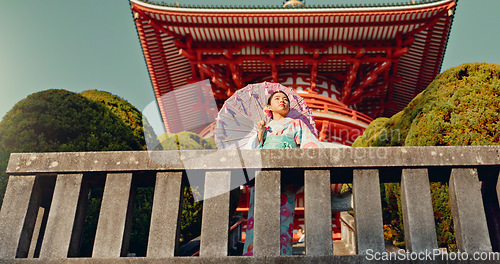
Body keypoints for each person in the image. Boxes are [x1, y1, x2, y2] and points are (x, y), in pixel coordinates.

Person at [242, 90, 343, 256]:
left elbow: (310, 145)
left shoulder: (297, 124)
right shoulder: (263, 128)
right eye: (277, 99)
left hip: (287, 176)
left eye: (285, 99)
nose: (282, 101)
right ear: (268, 107)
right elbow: (251, 153)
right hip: (262, 176)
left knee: (284, 218)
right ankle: (253, 256)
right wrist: (259, 134)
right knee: (257, 216)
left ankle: (283, 255)